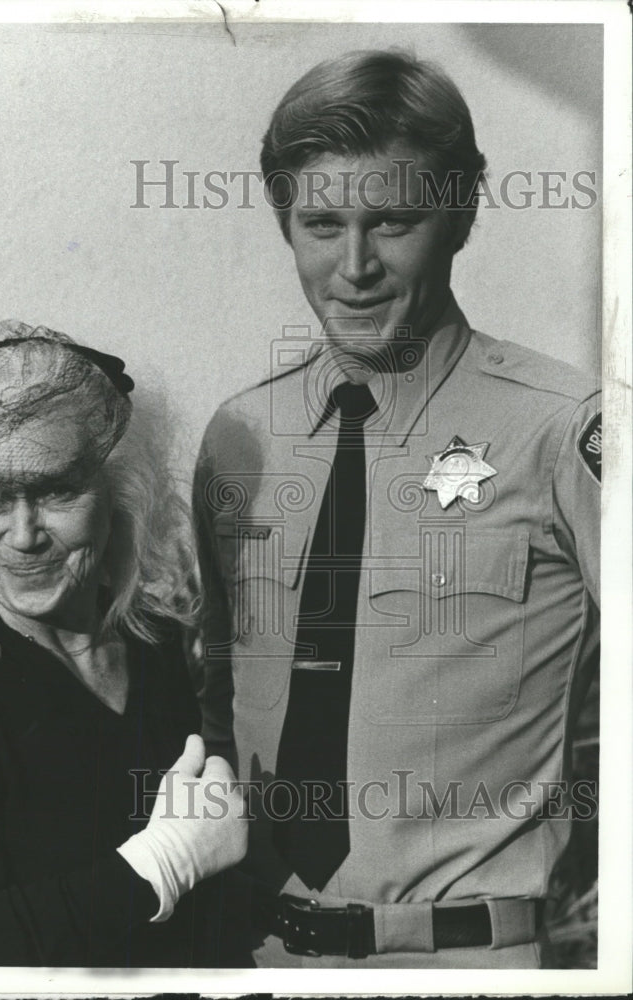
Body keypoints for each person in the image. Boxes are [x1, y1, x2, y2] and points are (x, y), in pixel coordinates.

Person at [193, 50, 599, 968]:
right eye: (321, 224)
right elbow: (212, 703)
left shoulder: (567, 428)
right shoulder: (237, 437)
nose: (355, 266)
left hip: (466, 960)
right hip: (257, 956)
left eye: (394, 222)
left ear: (460, 215)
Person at [0, 321, 247, 967]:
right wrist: (162, 865)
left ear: (120, 491)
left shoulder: (154, 638)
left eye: (55, 490)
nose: (23, 536)